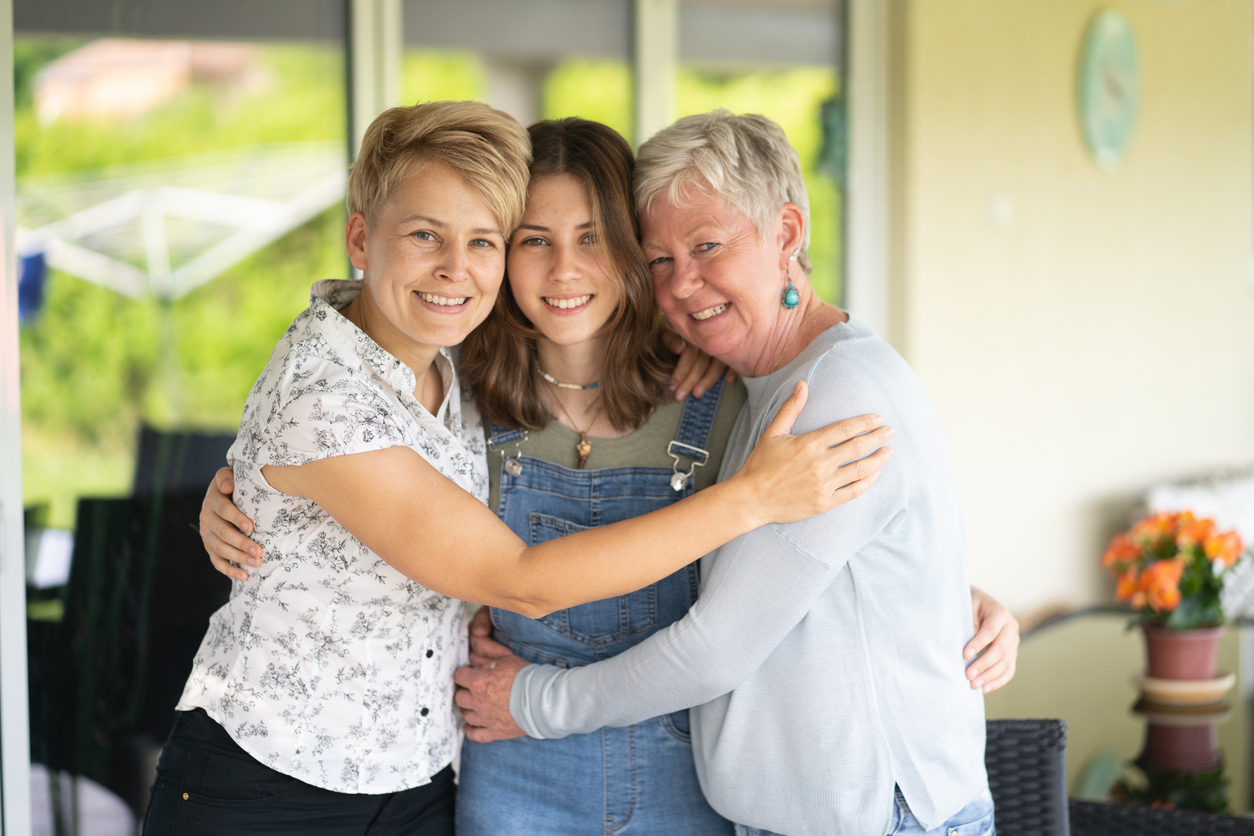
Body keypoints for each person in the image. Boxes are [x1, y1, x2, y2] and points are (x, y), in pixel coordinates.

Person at [147, 101, 890, 836]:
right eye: (533, 239)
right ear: (361, 239)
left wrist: (961, 599)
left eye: (593, 237)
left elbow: (815, 557)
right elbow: (510, 573)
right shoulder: (454, 376)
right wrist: (240, 485)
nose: (563, 269)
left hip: (554, 775)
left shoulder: (699, 388)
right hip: (356, 769)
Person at [454, 110, 1006, 836]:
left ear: (786, 234)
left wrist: (529, 702)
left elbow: (716, 645)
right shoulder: (763, 381)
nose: (685, 284)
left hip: (877, 818)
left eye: (707, 246)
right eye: (660, 260)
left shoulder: (830, 396)